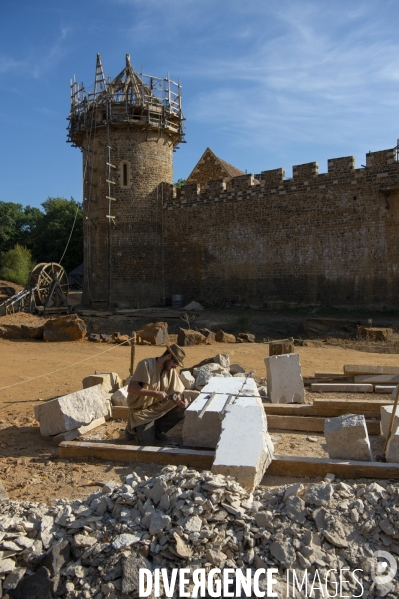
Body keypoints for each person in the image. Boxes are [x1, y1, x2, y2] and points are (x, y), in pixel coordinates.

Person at [125, 343, 188, 445]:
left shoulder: (170, 370)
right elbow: (131, 388)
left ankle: (157, 430)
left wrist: (181, 402)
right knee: (147, 444)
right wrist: (155, 393)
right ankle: (132, 430)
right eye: (174, 363)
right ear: (168, 356)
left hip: (157, 408)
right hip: (142, 412)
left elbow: (177, 392)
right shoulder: (146, 364)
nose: (174, 367)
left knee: (183, 409)